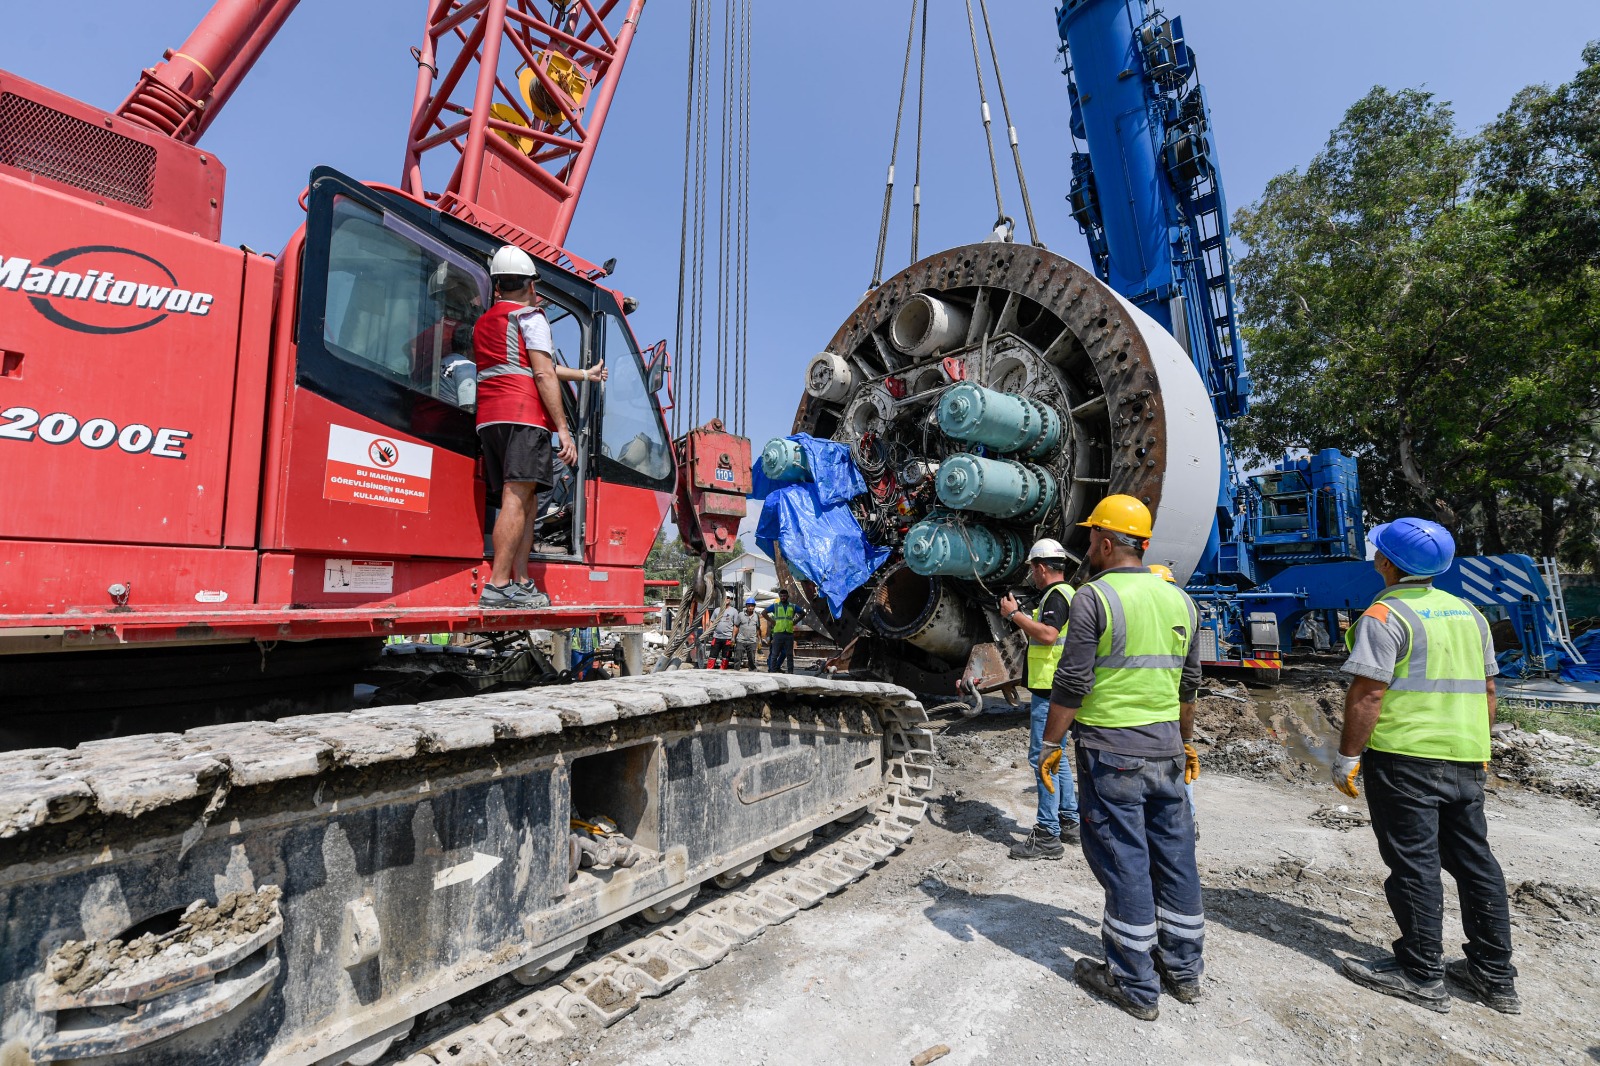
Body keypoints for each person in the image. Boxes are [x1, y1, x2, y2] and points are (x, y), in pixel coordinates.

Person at [1333, 517, 1517, 1014]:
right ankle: (1494, 974)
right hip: (1465, 756)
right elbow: (1488, 690)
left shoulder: (1384, 616)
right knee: (1476, 863)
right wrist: (1477, 745)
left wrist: (1348, 756)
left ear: (1387, 563)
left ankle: (1421, 972)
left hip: (1406, 759)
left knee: (1413, 863)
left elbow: (1368, 693)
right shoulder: (1469, 614)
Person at [1039, 494, 1205, 1021]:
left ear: (1107, 543)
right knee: (1175, 859)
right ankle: (1183, 970)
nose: (1088, 547)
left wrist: (1050, 744)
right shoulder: (1182, 600)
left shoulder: (1095, 598)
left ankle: (1134, 982)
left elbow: (1071, 681)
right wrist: (1186, 741)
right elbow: (1190, 682)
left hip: (1113, 755)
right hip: (1166, 753)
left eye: (1091, 538)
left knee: (1124, 862)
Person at [471, 245, 605, 608]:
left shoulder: (487, 322)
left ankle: (522, 580)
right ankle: (498, 585)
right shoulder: (530, 317)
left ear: (497, 285)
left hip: (491, 419)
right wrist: (563, 429)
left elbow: (528, 362)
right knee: (517, 498)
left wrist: (583, 374)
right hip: (523, 416)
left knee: (524, 498)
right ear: (531, 285)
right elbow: (542, 371)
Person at [999, 538, 1080, 858]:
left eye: (1033, 568)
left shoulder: (1056, 596)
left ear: (1042, 567)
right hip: (1058, 689)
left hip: (1049, 692)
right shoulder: (1068, 594)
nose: (1032, 575)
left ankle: (1047, 834)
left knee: (1043, 759)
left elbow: (1048, 635)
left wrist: (1014, 614)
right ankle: (1069, 820)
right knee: (1056, 757)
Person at [1150, 562, 1201, 842]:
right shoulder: (1188, 607)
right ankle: (1187, 822)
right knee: (1179, 769)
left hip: (1145, 713)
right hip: (1174, 709)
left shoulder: (1143, 611)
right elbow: (1191, 680)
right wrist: (1188, 737)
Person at [764, 588, 804, 673]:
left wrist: (796, 621)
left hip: (789, 633)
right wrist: (771, 621)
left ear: (787, 596)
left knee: (789, 654)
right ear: (779, 596)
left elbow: (803, 613)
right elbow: (764, 613)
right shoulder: (775, 606)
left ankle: (790, 671)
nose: (783, 597)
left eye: (784, 596)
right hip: (778, 632)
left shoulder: (792, 606)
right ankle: (773, 670)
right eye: (781, 596)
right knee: (775, 654)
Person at [707, 593, 739, 667]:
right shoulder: (716, 610)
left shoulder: (734, 611)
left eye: (728, 597)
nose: (726, 599)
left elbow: (736, 625)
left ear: (730, 599)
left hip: (727, 638)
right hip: (717, 637)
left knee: (725, 657)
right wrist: (710, 632)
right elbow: (712, 621)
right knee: (712, 656)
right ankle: (709, 671)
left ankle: (723, 671)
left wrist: (733, 637)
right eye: (725, 597)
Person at [734, 597, 761, 670]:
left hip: (752, 641)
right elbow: (736, 626)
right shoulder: (741, 615)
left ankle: (752, 671)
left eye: (752, 606)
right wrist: (733, 637)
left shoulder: (756, 616)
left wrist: (759, 639)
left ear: (754, 607)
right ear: (746, 606)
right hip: (741, 640)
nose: (750, 607)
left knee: (752, 659)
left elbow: (758, 628)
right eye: (749, 606)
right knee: (738, 658)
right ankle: (736, 671)